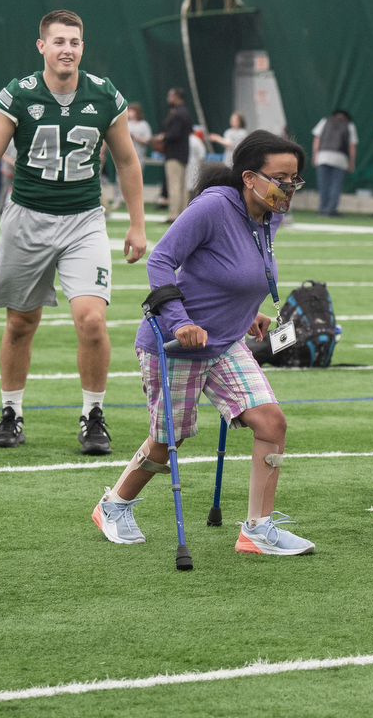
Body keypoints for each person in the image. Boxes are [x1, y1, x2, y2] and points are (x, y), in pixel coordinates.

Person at [94, 131, 315, 556]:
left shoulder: (270, 213)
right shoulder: (214, 207)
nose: (288, 188)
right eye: (280, 179)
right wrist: (179, 322)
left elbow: (236, 269)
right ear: (249, 177)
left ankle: (258, 529)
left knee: (271, 423)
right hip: (176, 344)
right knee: (167, 441)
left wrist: (246, 310)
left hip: (226, 341)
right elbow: (161, 260)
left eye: (295, 180)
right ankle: (114, 505)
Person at [0, 9, 147, 453]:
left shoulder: (104, 95)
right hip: (27, 216)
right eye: (59, 41)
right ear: (42, 46)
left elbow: (126, 161)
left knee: (92, 321)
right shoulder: (18, 94)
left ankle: (93, 414)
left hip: (84, 218)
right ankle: (10, 410)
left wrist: (137, 224)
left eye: (75, 42)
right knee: (21, 323)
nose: (68, 49)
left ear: (83, 47)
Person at [150, 88, 192, 221]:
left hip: (174, 154)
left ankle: (174, 215)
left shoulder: (178, 114)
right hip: (183, 154)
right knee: (181, 186)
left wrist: (162, 138)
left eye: (171, 95)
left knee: (174, 185)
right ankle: (183, 214)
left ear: (177, 97)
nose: (168, 98)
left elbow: (174, 134)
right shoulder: (185, 113)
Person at [312, 109, 357, 216]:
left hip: (322, 156)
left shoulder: (325, 121)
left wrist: (315, 157)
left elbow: (316, 140)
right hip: (340, 158)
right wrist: (351, 163)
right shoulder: (349, 125)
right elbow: (352, 147)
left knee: (323, 185)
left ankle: (322, 209)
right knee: (335, 185)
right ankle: (331, 210)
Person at [113, 101, 151, 210]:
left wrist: (136, 137)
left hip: (138, 157)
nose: (130, 113)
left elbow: (147, 140)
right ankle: (118, 199)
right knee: (119, 179)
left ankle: (136, 204)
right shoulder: (125, 123)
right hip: (124, 157)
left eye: (132, 111)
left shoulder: (143, 125)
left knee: (136, 181)